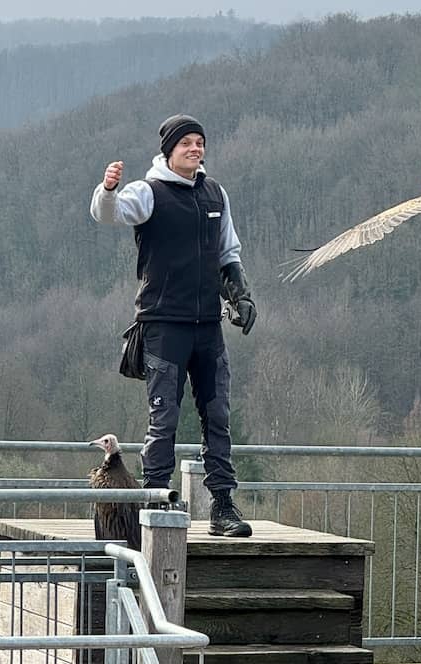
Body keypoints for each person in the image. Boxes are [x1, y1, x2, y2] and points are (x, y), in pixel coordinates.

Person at [90, 114, 256, 538]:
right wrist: (107, 189)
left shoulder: (215, 193)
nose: (195, 149)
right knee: (163, 419)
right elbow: (109, 214)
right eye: (187, 143)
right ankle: (154, 503)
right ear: (169, 151)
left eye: (200, 142)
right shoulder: (149, 192)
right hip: (164, 324)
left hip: (207, 326)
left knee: (217, 417)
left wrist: (241, 294)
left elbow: (227, 251)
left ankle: (223, 506)